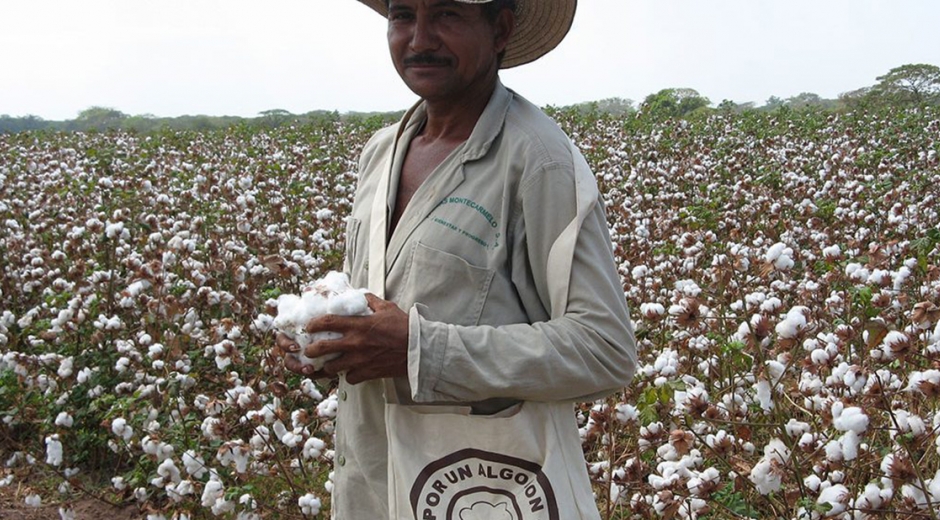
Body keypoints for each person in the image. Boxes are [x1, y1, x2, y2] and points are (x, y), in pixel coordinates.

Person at [278, 0, 636, 517]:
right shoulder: (380, 153)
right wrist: (328, 336)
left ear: (500, 29)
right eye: (403, 15)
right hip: (371, 486)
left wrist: (424, 351)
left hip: (486, 491)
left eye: (446, 14)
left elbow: (604, 348)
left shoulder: (539, 161)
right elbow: (381, 304)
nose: (420, 39)